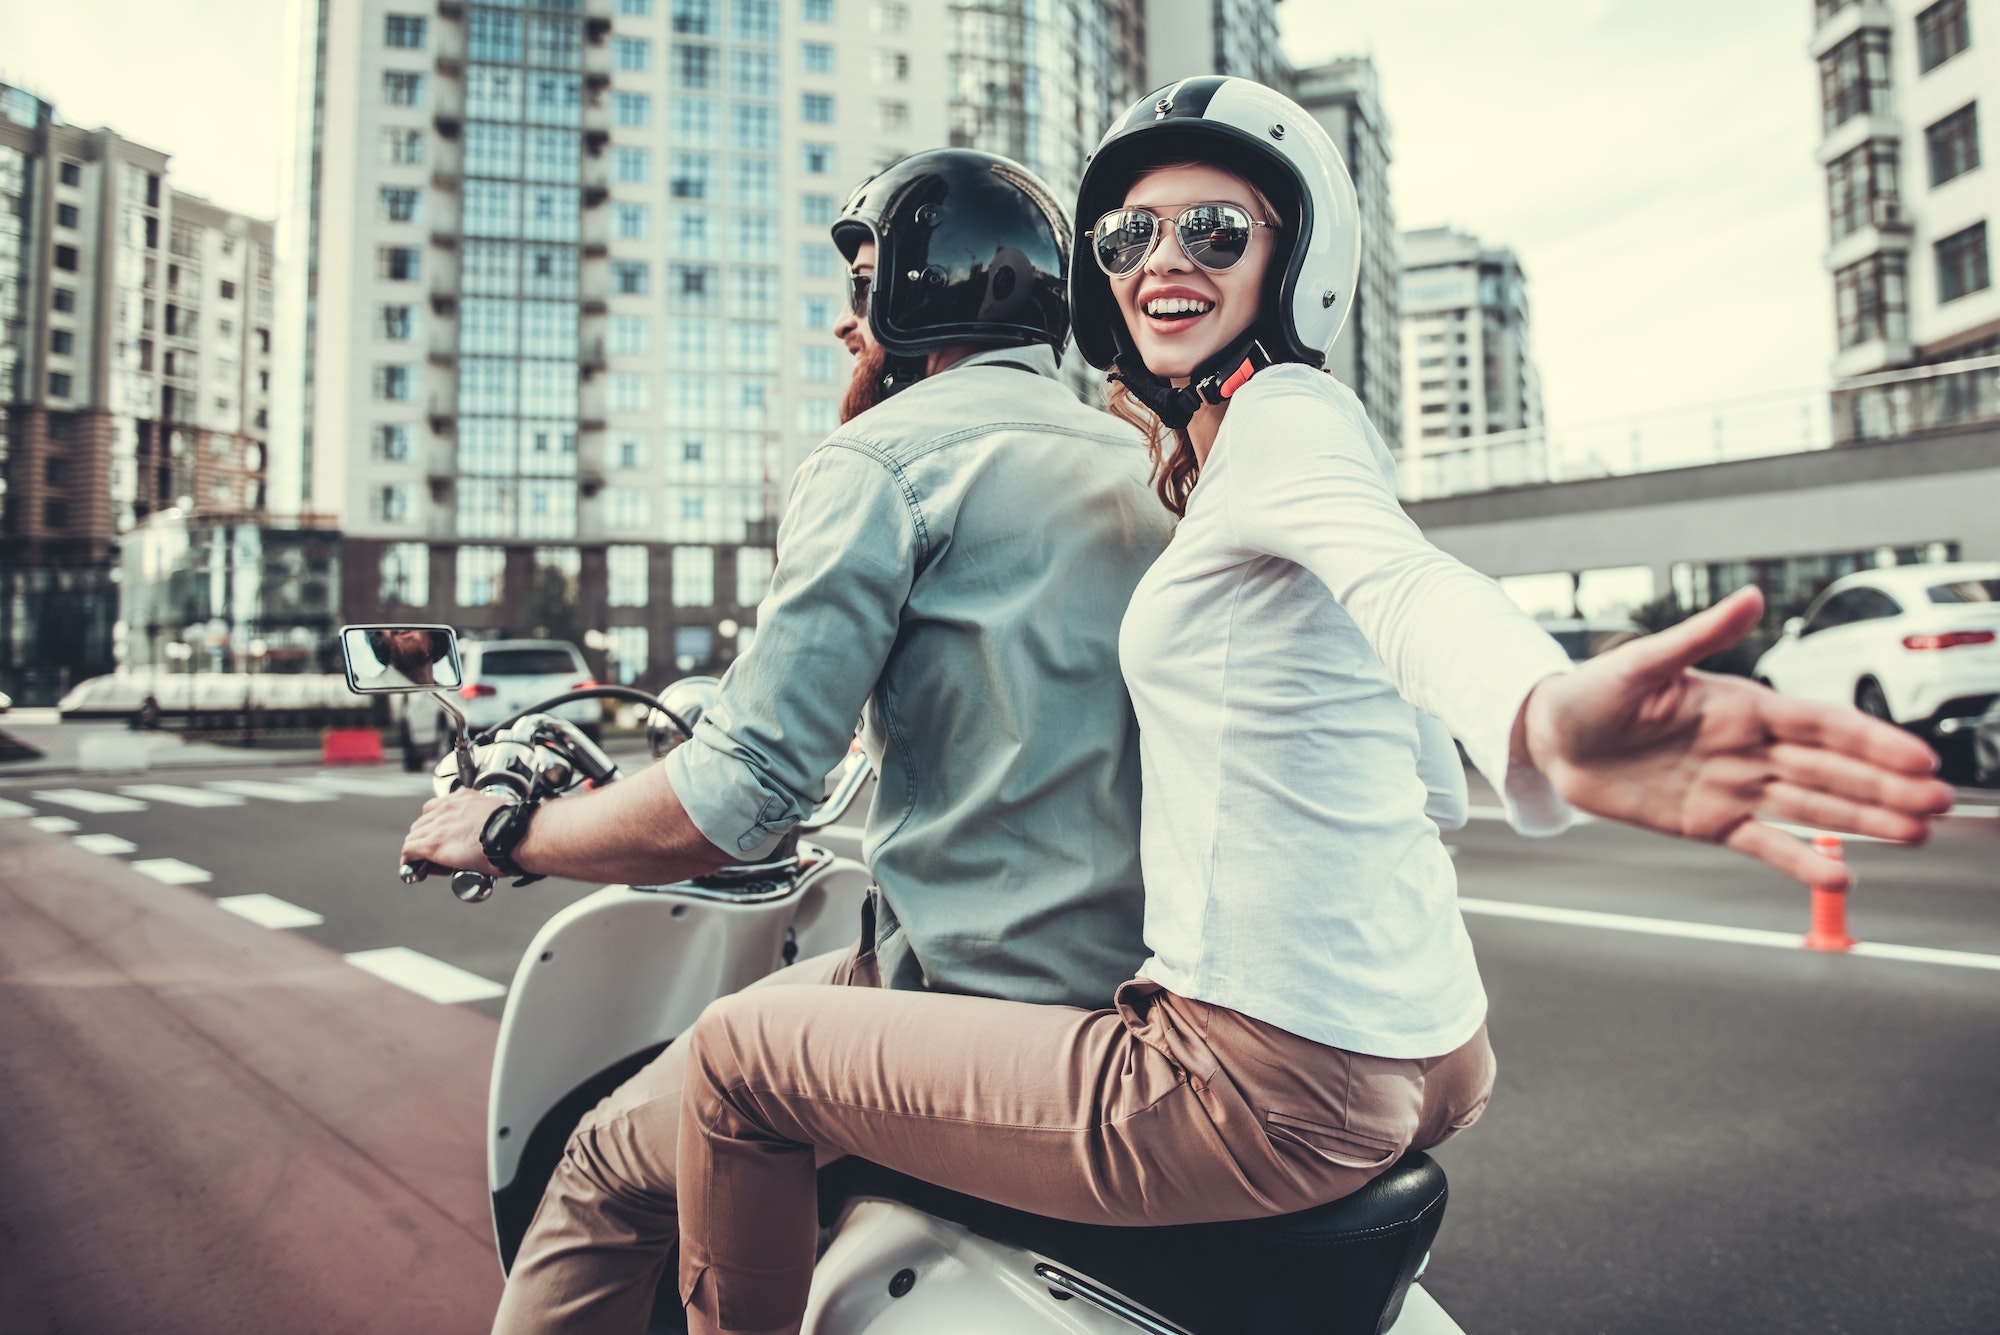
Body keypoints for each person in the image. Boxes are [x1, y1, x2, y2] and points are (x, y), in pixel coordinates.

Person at [665, 77, 1957, 1335]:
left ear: (1299, 263)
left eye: (1215, 231)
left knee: (738, 1061)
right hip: (1437, 1047)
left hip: (1246, 1087)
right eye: (1127, 236)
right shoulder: (1223, 465)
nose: (1162, 259)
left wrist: (1542, 707)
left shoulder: (1286, 425)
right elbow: (1422, 768)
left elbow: (1407, 583)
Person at [396, 149, 1177, 1332]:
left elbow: (738, 798)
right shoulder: (1146, 456)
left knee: (605, 1173)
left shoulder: (882, 461)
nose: (840, 322)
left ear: (928, 289)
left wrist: (507, 830)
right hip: (1146, 1010)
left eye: (865, 284)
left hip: (970, 1003)